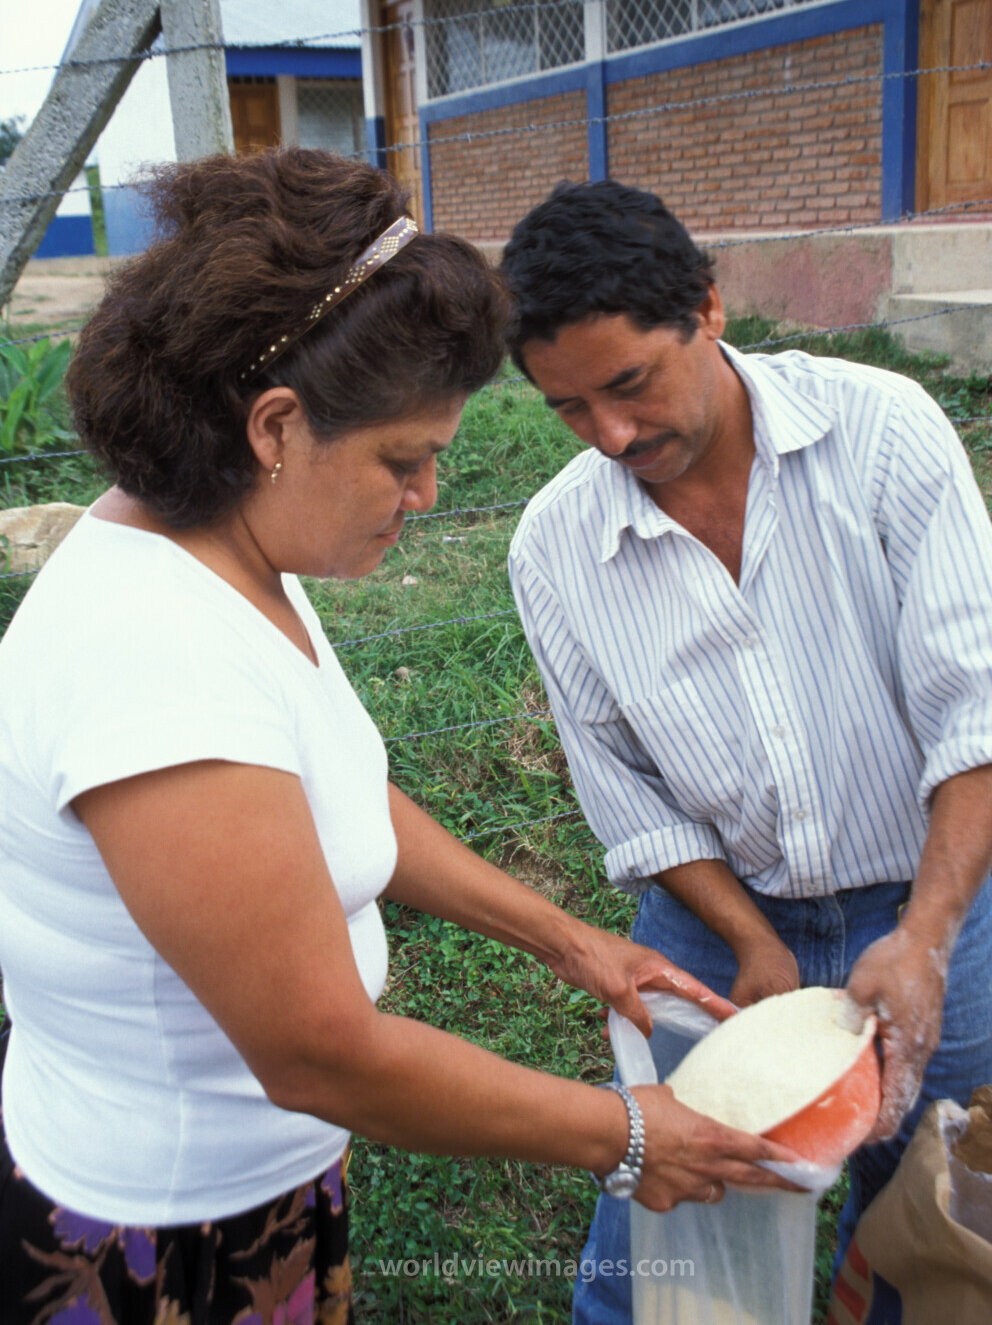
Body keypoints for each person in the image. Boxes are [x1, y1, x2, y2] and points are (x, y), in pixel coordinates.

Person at [0, 150, 797, 1325]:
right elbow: (319, 1052)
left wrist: (569, 941)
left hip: (248, 1171)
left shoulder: (221, 545)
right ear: (275, 425)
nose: (424, 496)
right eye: (403, 459)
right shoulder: (155, 661)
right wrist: (625, 1134)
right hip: (155, 1229)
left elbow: (331, 796)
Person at [501, 178, 992, 1325]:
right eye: (568, 410)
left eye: (628, 384)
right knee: (658, 1234)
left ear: (708, 308)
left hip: (933, 898)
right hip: (714, 915)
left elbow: (973, 711)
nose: (611, 436)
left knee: (931, 1226)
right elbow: (628, 797)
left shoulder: (881, 435)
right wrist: (748, 941)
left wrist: (919, 939)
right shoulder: (553, 547)